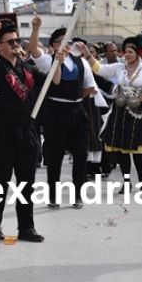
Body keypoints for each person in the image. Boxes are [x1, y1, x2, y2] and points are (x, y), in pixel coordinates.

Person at [0, 20, 61, 242]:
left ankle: (27, 227)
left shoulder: (27, 68)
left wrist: (58, 62)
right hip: (1, 131)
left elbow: (53, 82)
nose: (16, 44)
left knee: (26, 182)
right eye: (11, 41)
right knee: (0, 181)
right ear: (0, 46)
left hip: (27, 130)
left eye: (17, 40)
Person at [82, 35, 142, 191]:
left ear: (138, 53)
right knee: (122, 149)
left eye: (130, 52)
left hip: (138, 112)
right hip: (120, 111)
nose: (126, 54)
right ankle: (126, 181)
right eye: (125, 52)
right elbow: (99, 69)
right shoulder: (119, 68)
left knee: (138, 149)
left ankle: (141, 178)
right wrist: (87, 55)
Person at [28, 24, 96, 209]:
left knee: (81, 154)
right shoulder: (48, 60)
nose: (65, 44)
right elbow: (33, 50)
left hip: (76, 111)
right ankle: (53, 196)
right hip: (55, 112)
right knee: (55, 155)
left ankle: (78, 195)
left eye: (68, 41)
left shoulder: (81, 62)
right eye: (60, 41)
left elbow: (89, 87)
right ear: (53, 45)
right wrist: (35, 28)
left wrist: (73, 99)